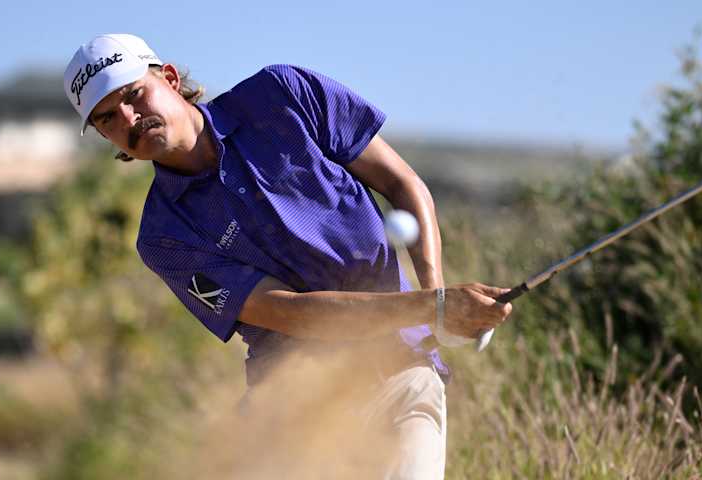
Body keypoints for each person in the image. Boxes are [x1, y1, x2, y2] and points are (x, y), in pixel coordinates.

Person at [64, 33, 512, 478]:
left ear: (169, 77)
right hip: (297, 411)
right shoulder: (163, 237)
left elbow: (402, 183)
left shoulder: (282, 95)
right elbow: (292, 312)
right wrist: (433, 307)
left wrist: (435, 296)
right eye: (107, 119)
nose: (128, 118)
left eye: (134, 94)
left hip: (401, 371)